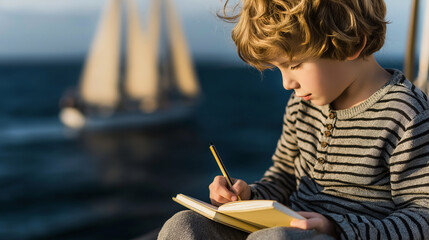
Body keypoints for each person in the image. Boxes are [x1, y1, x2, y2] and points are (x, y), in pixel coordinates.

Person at [158, 0, 429, 239]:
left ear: (352, 44)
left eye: (295, 64)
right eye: (279, 68)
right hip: (288, 229)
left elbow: (423, 218)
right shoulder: (302, 105)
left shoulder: (407, 114)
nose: (287, 83)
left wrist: (334, 227)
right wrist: (247, 196)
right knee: (184, 226)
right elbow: (284, 178)